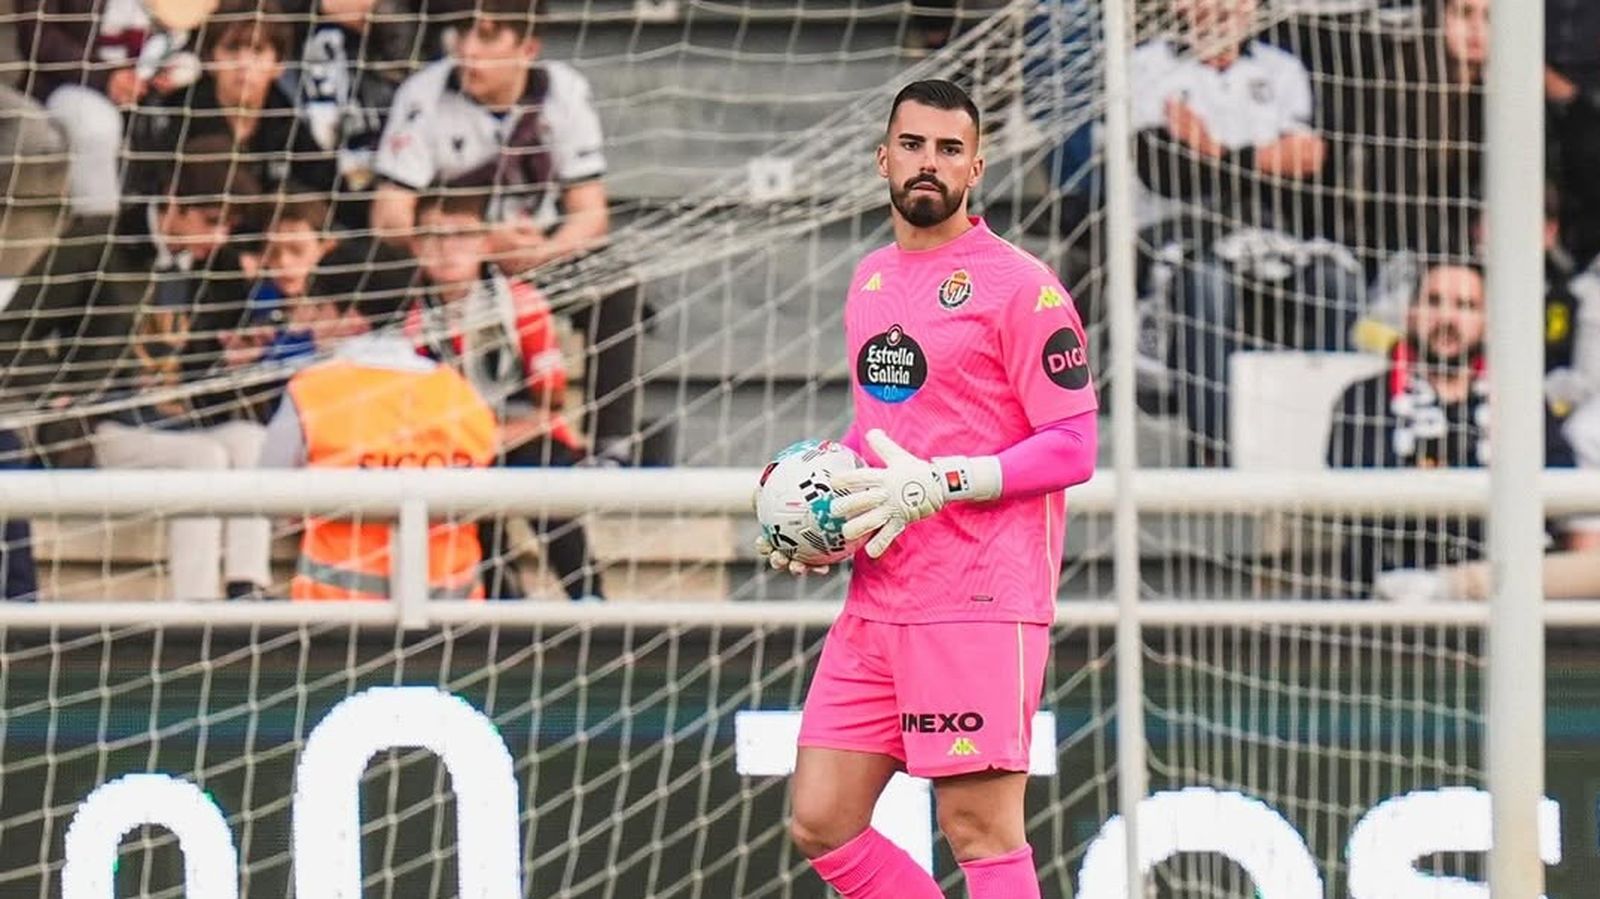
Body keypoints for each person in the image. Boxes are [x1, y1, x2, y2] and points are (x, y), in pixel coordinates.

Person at [755, 80, 1099, 899]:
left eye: (949, 150)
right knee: (821, 816)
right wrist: (821, 509)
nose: (928, 164)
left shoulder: (1023, 287)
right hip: (880, 598)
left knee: (979, 830)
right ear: (883, 158)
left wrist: (945, 483)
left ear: (976, 166)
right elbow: (884, 434)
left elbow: (1075, 444)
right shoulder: (872, 281)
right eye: (912, 145)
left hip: (979, 598)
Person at [369, 0, 644, 462]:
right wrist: (481, 242)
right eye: (462, 33)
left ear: (527, 47)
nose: (468, 50)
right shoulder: (425, 94)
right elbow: (389, 217)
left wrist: (547, 251)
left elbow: (590, 212)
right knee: (381, 276)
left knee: (615, 277)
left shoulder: (562, 92)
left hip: (533, 260)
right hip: (452, 262)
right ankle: (403, 433)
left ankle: (609, 445)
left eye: (488, 36)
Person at [1131, 0, 1362, 464]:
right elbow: (1167, 170)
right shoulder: (1146, 65)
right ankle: (1214, 458)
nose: (1217, 7)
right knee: (1207, 279)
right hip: (1178, 234)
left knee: (1333, 279)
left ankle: (1322, 455)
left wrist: (1211, 149)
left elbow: (1310, 161)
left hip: (1267, 232)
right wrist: (1267, 157)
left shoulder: (1281, 69)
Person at [259, 241, 498, 601]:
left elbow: (268, 494)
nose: (309, 323)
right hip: (453, 616)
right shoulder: (460, 393)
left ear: (352, 318)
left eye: (319, 309)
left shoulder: (314, 391)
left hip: (337, 615)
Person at [405, 191, 604, 600]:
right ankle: (502, 605)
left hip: (521, 434)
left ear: (484, 242)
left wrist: (497, 435)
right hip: (452, 444)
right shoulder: (412, 318)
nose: (446, 249)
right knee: (460, 489)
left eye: (460, 235)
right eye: (432, 236)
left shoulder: (520, 305)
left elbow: (549, 404)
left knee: (540, 473)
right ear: (415, 245)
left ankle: (588, 594)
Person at [1326, 258, 1488, 596]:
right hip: (1384, 602)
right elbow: (1364, 503)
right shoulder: (1362, 399)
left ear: (1486, 321)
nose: (1447, 318)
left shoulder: (1520, 403)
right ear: (1410, 312)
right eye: (1433, 301)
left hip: (1500, 603)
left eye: (1465, 306)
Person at [126, 0, 335, 208]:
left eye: (257, 50)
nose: (244, 63)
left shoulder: (286, 121)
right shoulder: (176, 117)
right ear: (210, 59)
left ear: (278, 65)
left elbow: (329, 193)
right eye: (232, 49)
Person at [16, 0, 202, 214]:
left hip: (153, 99)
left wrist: (185, 67)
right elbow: (38, 35)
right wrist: (106, 77)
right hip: (67, 85)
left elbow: (200, 39)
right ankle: (97, 234)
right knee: (97, 126)